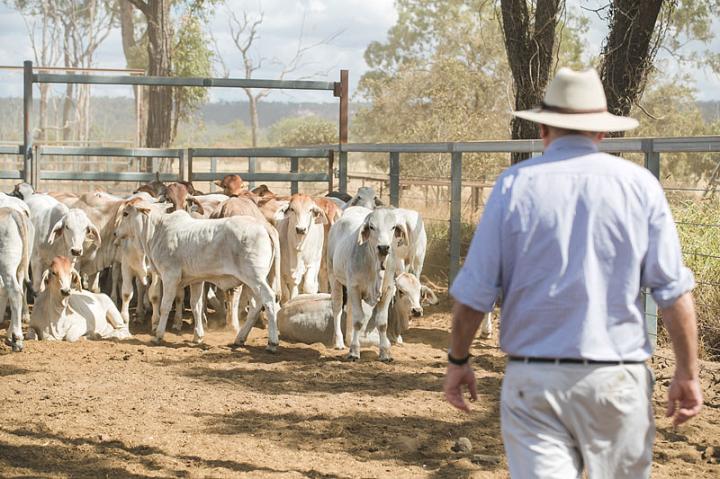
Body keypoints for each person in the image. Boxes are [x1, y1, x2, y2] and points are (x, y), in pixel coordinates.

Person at [443, 67, 703, 478]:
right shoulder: (640, 186)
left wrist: (459, 359)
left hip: (536, 378)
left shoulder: (514, 186)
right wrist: (687, 373)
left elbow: (474, 295)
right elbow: (673, 294)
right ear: (600, 132)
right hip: (617, 378)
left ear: (544, 126)